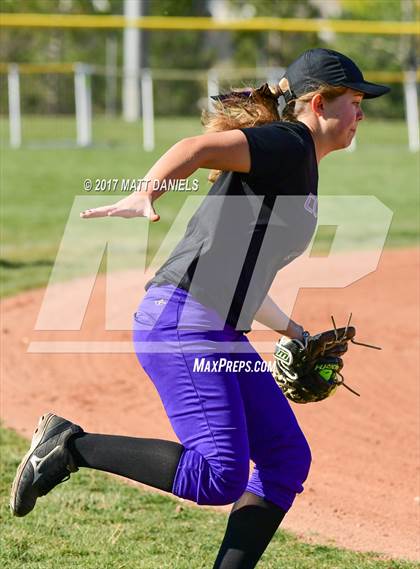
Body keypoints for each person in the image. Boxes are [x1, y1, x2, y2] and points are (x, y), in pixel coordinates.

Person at [10, 48, 389, 568]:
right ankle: (70, 448)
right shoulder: (286, 143)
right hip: (182, 322)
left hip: (219, 329)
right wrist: (147, 192)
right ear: (320, 103)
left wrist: (295, 332)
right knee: (218, 476)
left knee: (284, 458)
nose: (361, 112)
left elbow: (244, 280)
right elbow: (195, 146)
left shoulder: (301, 164)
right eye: (355, 100)